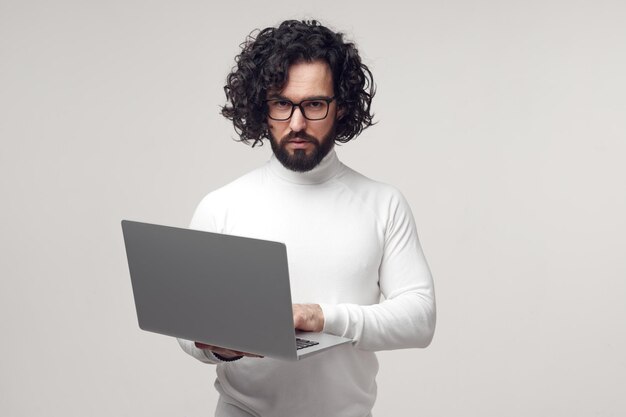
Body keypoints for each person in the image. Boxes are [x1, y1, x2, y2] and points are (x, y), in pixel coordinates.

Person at [177, 19, 436, 417]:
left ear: (341, 107)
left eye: (314, 104)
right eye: (282, 104)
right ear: (262, 108)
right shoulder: (222, 205)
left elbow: (419, 319)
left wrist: (322, 317)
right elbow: (188, 328)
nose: (296, 123)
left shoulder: (383, 203)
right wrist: (217, 346)